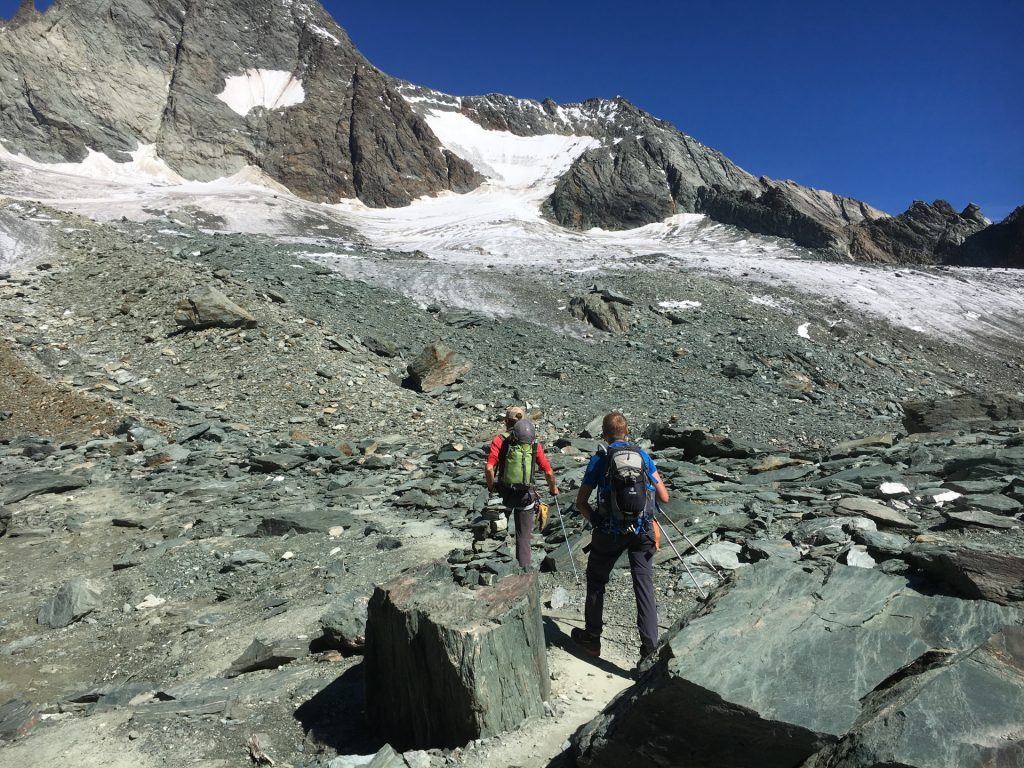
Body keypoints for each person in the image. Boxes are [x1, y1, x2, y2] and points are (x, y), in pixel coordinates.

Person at [571, 412, 669, 661]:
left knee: (596, 581)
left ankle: (592, 640)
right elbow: (664, 497)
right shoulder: (642, 456)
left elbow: (581, 502)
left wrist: (597, 522)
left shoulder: (601, 458)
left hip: (609, 531)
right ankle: (649, 653)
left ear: (603, 433)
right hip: (642, 529)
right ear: (627, 431)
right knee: (644, 587)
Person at [485, 406, 560, 569]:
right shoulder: (532, 443)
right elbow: (548, 471)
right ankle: (524, 573)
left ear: (506, 422)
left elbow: (489, 468)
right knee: (524, 537)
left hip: (503, 493)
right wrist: (553, 488)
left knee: (495, 532)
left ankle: (493, 569)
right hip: (525, 495)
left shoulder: (499, 440)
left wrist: (491, 487)